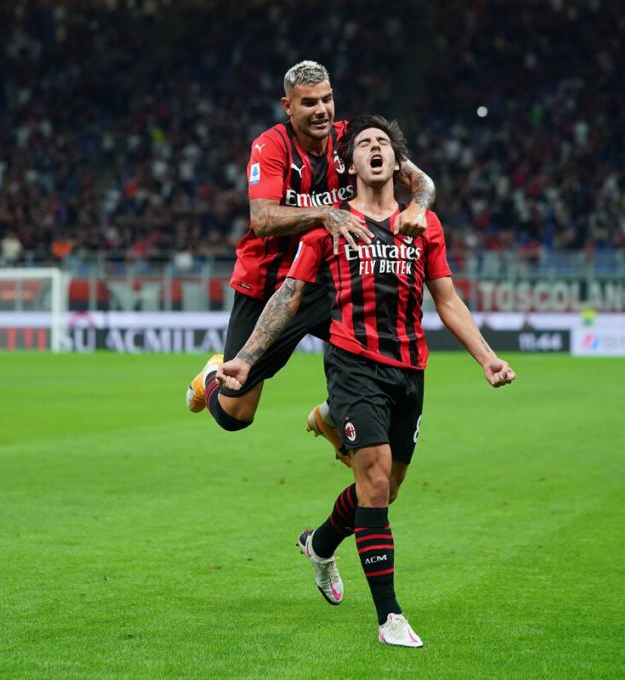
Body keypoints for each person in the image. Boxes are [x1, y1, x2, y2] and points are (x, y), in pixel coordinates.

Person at [215, 115, 515, 648]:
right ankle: (390, 617)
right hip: (353, 364)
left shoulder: (425, 225)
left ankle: (321, 543)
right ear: (349, 164)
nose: (373, 149)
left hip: (409, 368)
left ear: (397, 164)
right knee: (374, 482)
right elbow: (288, 296)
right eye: (364, 145)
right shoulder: (328, 225)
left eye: (383, 145)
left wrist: (487, 358)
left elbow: (446, 300)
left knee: (384, 491)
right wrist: (244, 356)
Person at [185, 61, 435, 466]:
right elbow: (263, 220)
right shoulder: (271, 147)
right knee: (236, 416)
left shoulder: (352, 138)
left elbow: (423, 181)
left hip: (325, 282)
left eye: (327, 99)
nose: (321, 110)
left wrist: (419, 208)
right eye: (309, 103)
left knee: (373, 355)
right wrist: (325, 214)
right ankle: (212, 377)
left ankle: (334, 417)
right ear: (288, 106)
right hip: (266, 286)